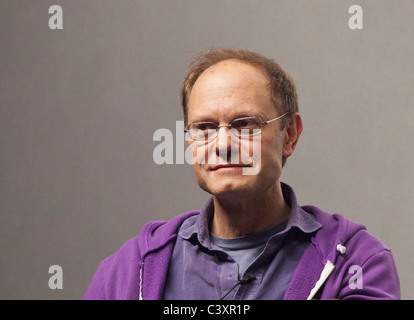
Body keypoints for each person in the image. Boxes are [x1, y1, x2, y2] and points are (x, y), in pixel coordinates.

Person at [84, 48, 400, 300]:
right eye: (204, 128)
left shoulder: (355, 262)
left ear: (289, 135)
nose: (222, 144)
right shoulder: (130, 269)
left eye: (245, 125)